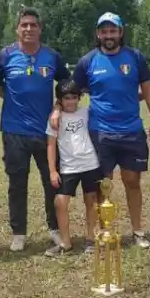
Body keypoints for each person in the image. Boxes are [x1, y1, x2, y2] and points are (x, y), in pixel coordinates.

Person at [65, 12, 150, 249]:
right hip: (100, 133)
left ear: (120, 32)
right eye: (104, 31)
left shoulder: (135, 57)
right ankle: (104, 232)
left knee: (132, 181)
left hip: (131, 131)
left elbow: (148, 89)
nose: (109, 35)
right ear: (98, 34)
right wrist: (59, 110)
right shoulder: (87, 61)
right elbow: (71, 90)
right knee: (102, 184)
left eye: (113, 30)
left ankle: (138, 231)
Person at [0, 8, 70, 252]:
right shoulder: (5, 55)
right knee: (17, 183)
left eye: (33, 25)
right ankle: (19, 232)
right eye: (24, 25)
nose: (28, 29)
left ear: (39, 29)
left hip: (46, 132)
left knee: (52, 181)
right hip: (14, 131)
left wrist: (58, 107)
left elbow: (66, 85)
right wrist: (12, 97)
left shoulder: (52, 56)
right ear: (17, 29)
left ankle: (55, 229)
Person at [44, 80, 101, 257]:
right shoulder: (55, 118)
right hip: (68, 167)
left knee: (91, 201)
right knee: (60, 202)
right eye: (66, 98)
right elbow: (51, 145)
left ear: (79, 98)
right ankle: (65, 243)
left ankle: (91, 239)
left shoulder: (86, 112)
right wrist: (53, 170)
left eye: (74, 98)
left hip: (90, 164)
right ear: (60, 100)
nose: (71, 102)